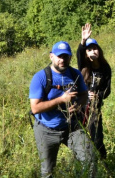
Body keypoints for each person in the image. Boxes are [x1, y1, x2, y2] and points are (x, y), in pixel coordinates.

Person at [29, 41, 94, 177]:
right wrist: (61, 99)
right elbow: (35, 108)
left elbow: (83, 95)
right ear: (51, 56)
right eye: (59, 56)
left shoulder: (75, 74)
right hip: (46, 129)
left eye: (66, 56)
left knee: (90, 159)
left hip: (71, 127)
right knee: (47, 171)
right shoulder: (41, 77)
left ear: (70, 57)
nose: (62, 60)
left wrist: (78, 105)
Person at [77, 23, 112, 159]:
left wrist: (98, 95)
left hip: (95, 108)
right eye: (89, 49)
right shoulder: (84, 66)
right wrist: (83, 40)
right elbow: (79, 53)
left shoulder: (105, 68)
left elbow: (108, 89)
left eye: (95, 48)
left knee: (97, 136)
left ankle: (103, 160)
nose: (93, 51)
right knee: (80, 134)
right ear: (86, 53)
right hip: (80, 106)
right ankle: (84, 159)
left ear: (99, 50)